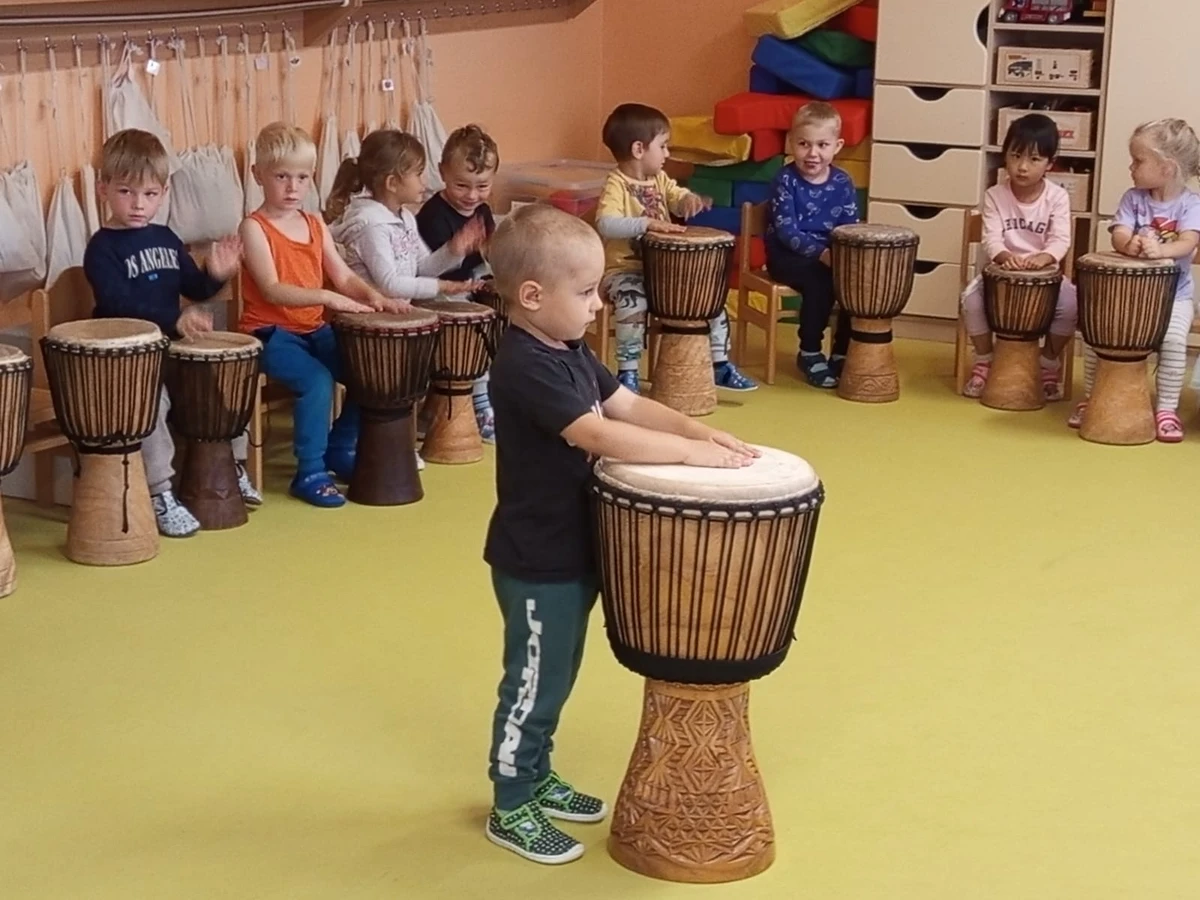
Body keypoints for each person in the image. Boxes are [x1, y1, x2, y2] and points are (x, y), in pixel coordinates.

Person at [481, 202, 759, 865]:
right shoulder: (524, 364)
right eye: (585, 292)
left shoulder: (568, 349)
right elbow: (596, 434)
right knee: (533, 684)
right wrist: (690, 457)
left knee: (558, 676)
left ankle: (537, 774)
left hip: (573, 550)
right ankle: (510, 803)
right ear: (532, 296)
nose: (598, 305)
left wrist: (698, 430)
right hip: (535, 558)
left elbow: (625, 404)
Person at [83, 128, 258, 538]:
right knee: (154, 405)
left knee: (219, 390)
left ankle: (231, 467)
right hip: (130, 355)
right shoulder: (101, 248)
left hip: (171, 347)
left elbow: (193, 288)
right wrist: (174, 320)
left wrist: (215, 274)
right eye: (126, 192)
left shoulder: (166, 238)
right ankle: (160, 492)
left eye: (150, 194)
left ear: (163, 193)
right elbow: (117, 303)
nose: (138, 204)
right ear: (103, 189)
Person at [237, 122, 406, 507]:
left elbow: (343, 276)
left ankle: (340, 447)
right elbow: (272, 289)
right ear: (258, 175)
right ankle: (310, 471)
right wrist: (329, 298)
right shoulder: (253, 228)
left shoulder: (315, 223)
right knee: (317, 382)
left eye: (302, 177)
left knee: (369, 374)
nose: (292, 187)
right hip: (268, 333)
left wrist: (376, 297)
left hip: (313, 329)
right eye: (281, 176)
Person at [330, 128, 491, 445]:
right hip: (368, 319)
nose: (424, 181)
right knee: (377, 391)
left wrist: (454, 250)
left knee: (391, 389)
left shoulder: (404, 217)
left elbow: (422, 267)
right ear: (392, 182)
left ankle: (390, 445)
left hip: (395, 316)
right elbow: (390, 284)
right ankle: (356, 444)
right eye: (418, 173)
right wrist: (442, 286)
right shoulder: (371, 225)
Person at [595, 102, 758, 395]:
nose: (667, 154)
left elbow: (676, 196)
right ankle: (627, 372)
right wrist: (647, 223)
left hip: (662, 273)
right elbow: (606, 223)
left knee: (709, 298)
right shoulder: (616, 184)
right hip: (623, 272)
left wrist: (688, 201)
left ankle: (720, 364)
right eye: (663, 146)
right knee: (634, 303)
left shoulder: (659, 179)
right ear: (638, 149)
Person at [1069, 118, 1200, 442]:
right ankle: (1093, 397)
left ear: (1167, 168)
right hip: (1127, 296)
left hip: (1175, 296)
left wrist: (1161, 250)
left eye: (1138, 160)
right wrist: (1129, 244)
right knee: (1096, 336)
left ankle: (1166, 409)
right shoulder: (1133, 198)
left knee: (1173, 342)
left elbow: (1188, 243)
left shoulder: (1191, 204)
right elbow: (1119, 234)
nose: (1131, 167)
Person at [961, 113, 1076, 401]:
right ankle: (984, 360)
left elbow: (1061, 239)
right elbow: (991, 238)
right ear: (1005, 156)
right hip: (1001, 274)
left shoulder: (1057, 197)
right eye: (1015, 156)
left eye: (1034, 159)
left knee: (1071, 305)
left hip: (1046, 275)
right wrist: (1004, 256)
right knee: (971, 301)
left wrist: (1045, 258)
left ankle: (1048, 363)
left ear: (1050, 163)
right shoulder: (994, 195)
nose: (1022, 167)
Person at [416, 124, 501, 438]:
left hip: (468, 288)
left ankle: (496, 392)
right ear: (442, 172)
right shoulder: (432, 215)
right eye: (462, 185)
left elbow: (487, 256)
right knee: (476, 330)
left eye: (482, 186)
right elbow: (424, 273)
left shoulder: (482, 211)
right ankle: (479, 402)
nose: (472, 195)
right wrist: (454, 249)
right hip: (435, 294)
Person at [764, 101, 856, 389]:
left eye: (822, 145)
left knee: (854, 283)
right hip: (787, 256)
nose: (812, 153)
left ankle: (842, 352)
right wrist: (822, 254)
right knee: (821, 282)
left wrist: (842, 256)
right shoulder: (785, 179)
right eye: (804, 144)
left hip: (828, 255)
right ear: (791, 142)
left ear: (837, 146)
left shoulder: (843, 182)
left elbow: (849, 226)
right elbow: (786, 231)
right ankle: (810, 351)